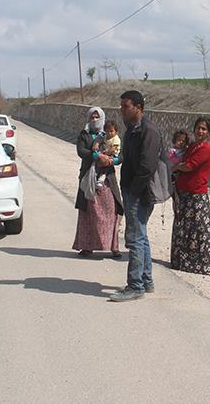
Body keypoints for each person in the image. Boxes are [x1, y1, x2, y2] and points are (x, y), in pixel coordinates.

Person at [110, 90, 162, 302]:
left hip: (139, 193)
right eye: (121, 105)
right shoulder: (132, 129)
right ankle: (146, 281)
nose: (121, 109)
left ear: (137, 108)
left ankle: (135, 286)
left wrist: (134, 191)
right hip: (132, 190)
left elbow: (148, 166)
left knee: (134, 239)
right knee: (141, 236)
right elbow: (127, 156)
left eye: (125, 106)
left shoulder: (148, 130)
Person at [73, 107, 123, 259]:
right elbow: (81, 151)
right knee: (88, 212)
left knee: (111, 212)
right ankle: (87, 247)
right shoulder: (84, 135)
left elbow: (121, 155)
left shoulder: (109, 133)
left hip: (107, 180)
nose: (95, 120)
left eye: (97, 117)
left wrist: (112, 160)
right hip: (89, 178)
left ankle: (113, 247)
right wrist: (97, 156)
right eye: (92, 117)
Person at [170, 116, 210, 274]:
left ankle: (200, 264)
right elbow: (182, 159)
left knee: (199, 230)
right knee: (182, 227)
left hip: (196, 196)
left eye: (204, 129)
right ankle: (181, 261)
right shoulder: (191, 146)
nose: (200, 131)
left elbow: (190, 166)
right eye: (198, 128)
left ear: (208, 132)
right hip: (183, 193)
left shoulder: (206, 149)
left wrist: (175, 168)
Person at [93, 120, 121, 189]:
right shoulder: (106, 137)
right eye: (107, 131)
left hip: (112, 154)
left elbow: (113, 148)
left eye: (111, 131)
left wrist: (107, 153)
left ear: (116, 131)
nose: (109, 133)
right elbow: (100, 140)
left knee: (105, 163)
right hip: (105, 152)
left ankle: (101, 179)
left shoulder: (116, 139)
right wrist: (96, 144)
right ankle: (97, 177)